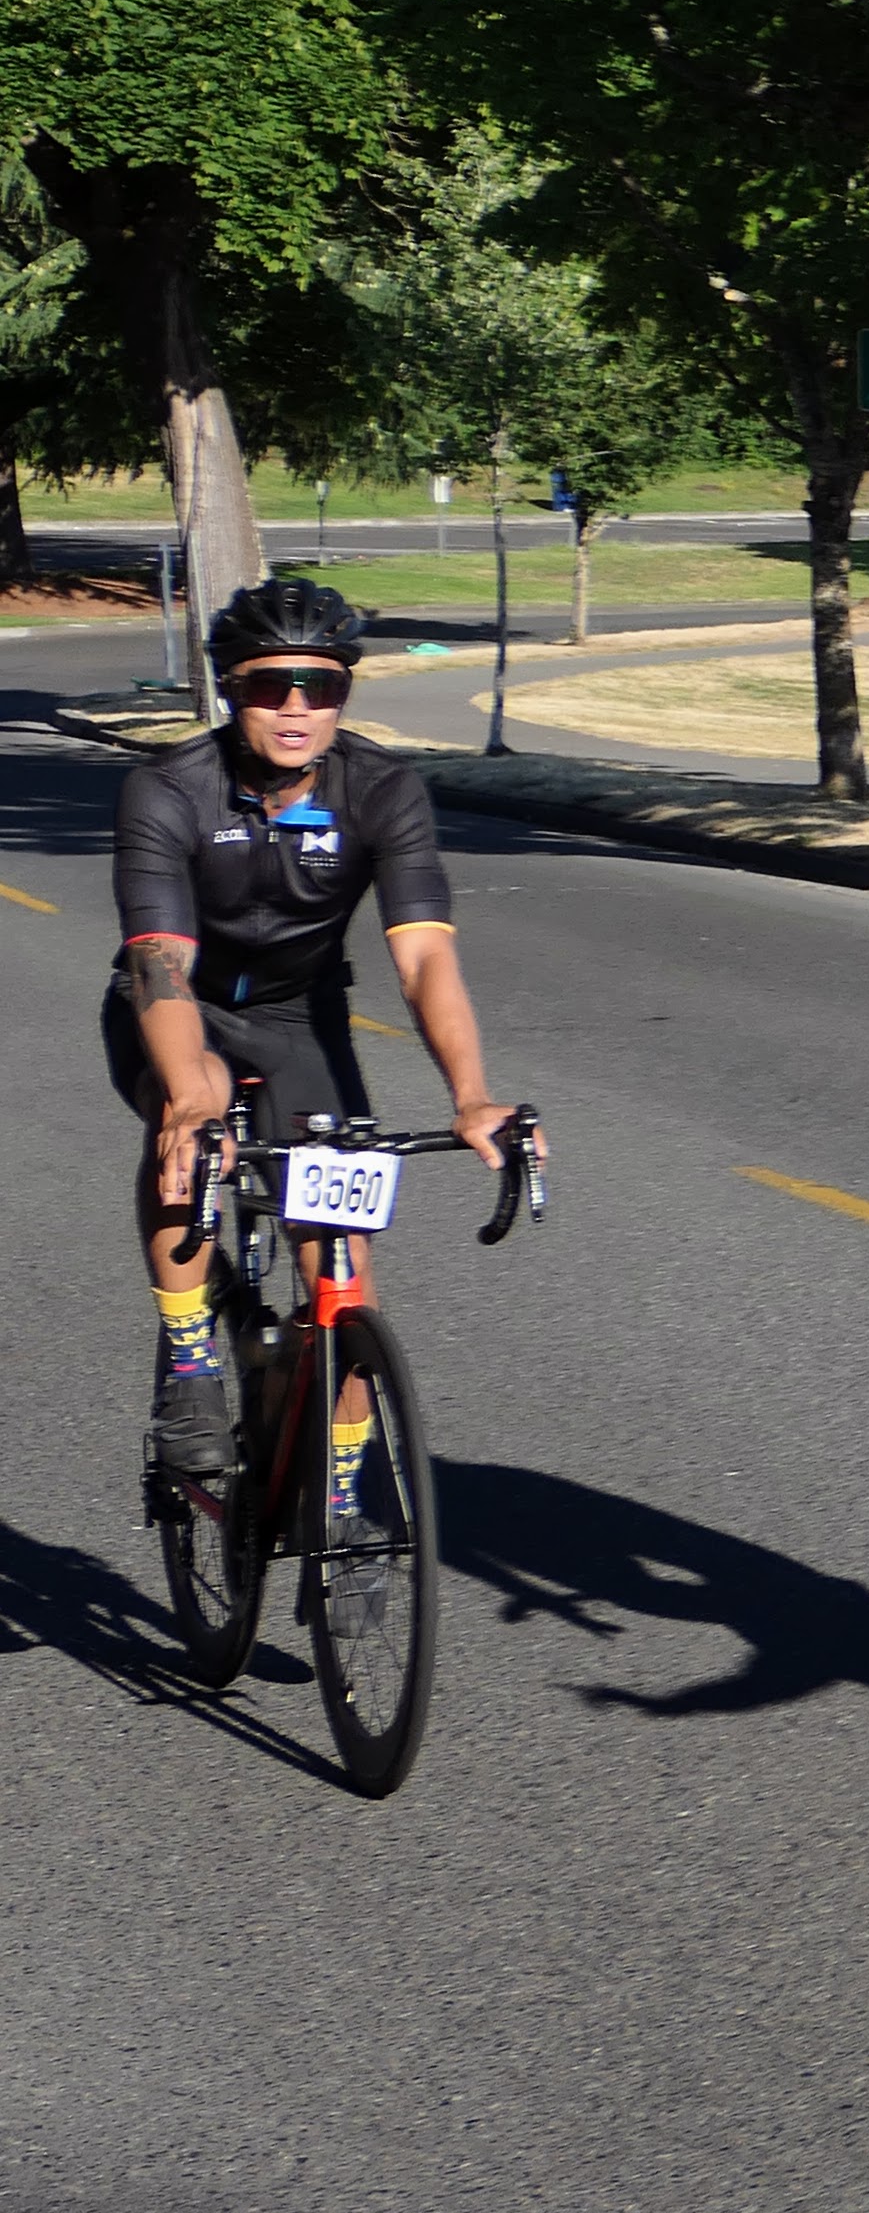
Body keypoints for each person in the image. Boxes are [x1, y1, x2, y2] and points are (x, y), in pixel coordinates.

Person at [112, 577, 514, 1550]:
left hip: (301, 1017)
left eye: (322, 686)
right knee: (191, 1124)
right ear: (229, 689)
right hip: (178, 1004)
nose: (297, 707)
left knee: (344, 1279)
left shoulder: (380, 788)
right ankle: (191, 1358)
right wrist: (190, 1095)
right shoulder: (168, 788)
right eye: (270, 685)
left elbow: (424, 957)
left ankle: (337, 1513)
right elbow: (159, 960)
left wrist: (471, 1096)